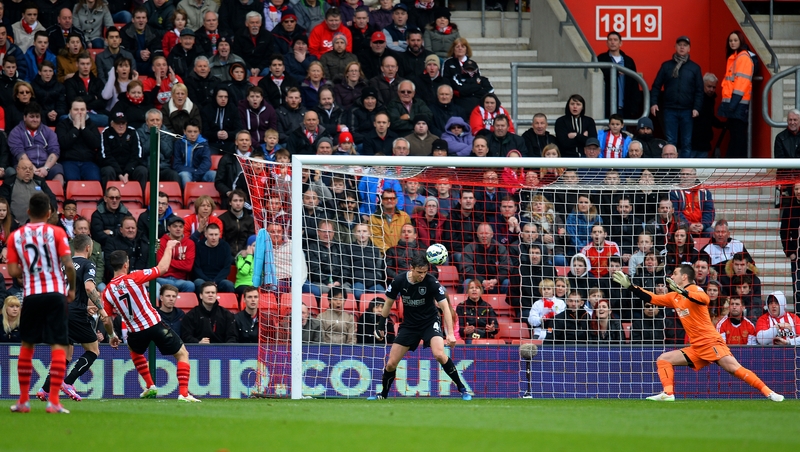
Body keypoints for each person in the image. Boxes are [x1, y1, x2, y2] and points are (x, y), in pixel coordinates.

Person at [613, 265, 784, 401]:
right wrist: (631, 286)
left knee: (734, 369)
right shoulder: (674, 297)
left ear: (684, 277)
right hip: (696, 347)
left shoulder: (696, 290)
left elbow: (704, 300)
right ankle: (668, 393)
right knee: (663, 359)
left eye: (674, 274)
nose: (671, 277)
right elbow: (652, 298)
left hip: (711, 342)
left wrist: (684, 292)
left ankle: (769, 392)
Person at [102, 243, 200, 402]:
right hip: (154, 324)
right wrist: (168, 247)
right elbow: (162, 268)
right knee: (182, 354)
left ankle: (150, 385)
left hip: (135, 331)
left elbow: (105, 318)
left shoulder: (107, 291)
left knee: (134, 350)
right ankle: (183, 393)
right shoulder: (134, 277)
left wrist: (111, 334)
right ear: (126, 264)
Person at [8, 192, 78, 414]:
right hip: (56, 294)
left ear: (28, 212)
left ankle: (22, 401)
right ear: (49, 213)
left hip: (31, 295)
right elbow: (68, 265)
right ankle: (54, 401)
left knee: (27, 346)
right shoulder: (56, 232)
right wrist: (72, 289)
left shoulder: (16, 236)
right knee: (58, 345)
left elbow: (12, 271)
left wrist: (28, 270)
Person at [369, 253, 471, 400]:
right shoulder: (399, 280)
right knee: (391, 364)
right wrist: (380, 324)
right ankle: (383, 394)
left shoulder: (431, 282)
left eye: (424, 272)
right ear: (412, 268)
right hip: (409, 325)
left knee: (439, 354)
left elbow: (445, 307)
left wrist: (450, 334)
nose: (422, 275)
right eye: (419, 272)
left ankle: (462, 389)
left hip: (429, 323)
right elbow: (388, 303)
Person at [36, 233, 117, 402]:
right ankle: (68, 382)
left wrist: (83, 306)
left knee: (65, 354)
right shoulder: (88, 264)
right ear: (89, 247)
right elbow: (89, 288)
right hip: (74, 313)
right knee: (93, 350)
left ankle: (44, 390)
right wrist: (100, 309)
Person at [649, 36, 704, 159]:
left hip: (688, 110)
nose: (682, 47)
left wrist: (697, 108)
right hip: (669, 109)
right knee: (670, 142)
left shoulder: (695, 68)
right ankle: (671, 171)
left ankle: (684, 171)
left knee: (686, 142)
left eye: (685, 45)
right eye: (680, 45)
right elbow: (656, 86)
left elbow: (699, 90)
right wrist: (654, 103)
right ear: (675, 47)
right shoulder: (666, 66)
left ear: (689, 48)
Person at [718, 31, 754, 159]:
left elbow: (741, 83)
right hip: (735, 102)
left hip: (738, 103)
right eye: (730, 41)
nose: (732, 43)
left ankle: (736, 162)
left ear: (741, 41)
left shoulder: (742, 58)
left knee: (738, 135)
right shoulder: (735, 57)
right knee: (735, 134)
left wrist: (732, 104)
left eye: (735, 40)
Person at [100, 111, 149, 191]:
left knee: (142, 170)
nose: (121, 126)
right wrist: (119, 173)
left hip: (130, 168)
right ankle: (107, 198)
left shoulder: (132, 132)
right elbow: (105, 156)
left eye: (123, 123)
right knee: (107, 170)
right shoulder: (106, 132)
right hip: (113, 167)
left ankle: (142, 200)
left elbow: (137, 155)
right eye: (118, 123)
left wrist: (127, 172)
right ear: (112, 124)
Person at [597, 32, 640, 119]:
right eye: (610, 40)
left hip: (624, 108)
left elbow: (634, 85)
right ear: (606, 43)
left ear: (620, 43)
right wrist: (614, 72)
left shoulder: (628, 61)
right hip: (606, 107)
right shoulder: (601, 59)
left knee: (622, 132)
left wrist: (634, 107)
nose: (612, 42)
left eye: (615, 40)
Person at [155, 215, 196, 293]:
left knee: (190, 285)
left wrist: (168, 261)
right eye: (175, 226)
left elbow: (188, 266)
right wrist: (181, 264)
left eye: (181, 227)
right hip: (163, 278)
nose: (178, 229)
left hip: (181, 280)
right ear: (169, 228)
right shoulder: (159, 242)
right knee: (159, 283)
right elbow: (161, 263)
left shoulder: (190, 243)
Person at [671, 168, 715, 237]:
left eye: (688, 174)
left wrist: (703, 225)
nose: (685, 176)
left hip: (701, 226)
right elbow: (675, 212)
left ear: (695, 176)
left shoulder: (705, 192)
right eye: (683, 174)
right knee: (679, 232)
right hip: (682, 226)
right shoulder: (674, 192)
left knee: (711, 232)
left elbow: (709, 211)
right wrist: (688, 225)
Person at [190, 223, 233, 293]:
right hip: (202, 279)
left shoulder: (225, 246)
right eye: (211, 234)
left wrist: (215, 281)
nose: (214, 237)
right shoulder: (199, 246)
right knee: (198, 283)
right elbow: (197, 268)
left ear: (219, 234)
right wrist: (208, 282)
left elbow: (226, 268)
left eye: (216, 234)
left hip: (219, 279)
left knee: (229, 285)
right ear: (206, 234)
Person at [554, 94, 597, 158]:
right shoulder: (561, 121)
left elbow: (592, 142)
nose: (575, 107)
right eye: (572, 104)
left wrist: (576, 135)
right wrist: (583, 137)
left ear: (582, 107)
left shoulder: (589, 121)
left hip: (585, 157)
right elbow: (564, 143)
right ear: (568, 106)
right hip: (567, 157)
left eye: (578, 104)